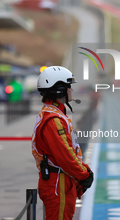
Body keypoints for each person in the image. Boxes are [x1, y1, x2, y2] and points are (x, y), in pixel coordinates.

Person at [32, 66, 93, 220]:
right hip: (58, 182)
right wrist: (84, 174)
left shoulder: (54, 113)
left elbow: (69, 150)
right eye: (68, 86)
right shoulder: (53, 120)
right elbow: (64, 155)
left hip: (61, 179)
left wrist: (83, 171)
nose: (71, 90)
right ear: (59, 90)